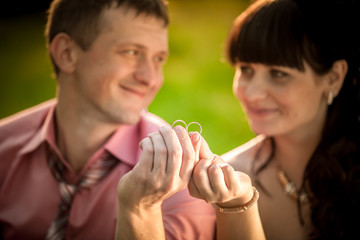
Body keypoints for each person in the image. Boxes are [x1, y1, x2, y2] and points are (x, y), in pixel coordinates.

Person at [140, 0, 360, 239]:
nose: (253, 93)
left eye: (278, 74)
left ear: (333, 77)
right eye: (245, 69)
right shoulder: (222, 181)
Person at [0, 0, 216, 239]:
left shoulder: (182, 174)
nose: (150, 78)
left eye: (158, 59)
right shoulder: (4, 148)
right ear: (66, 53)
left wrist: (141, 209)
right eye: (132, 52)